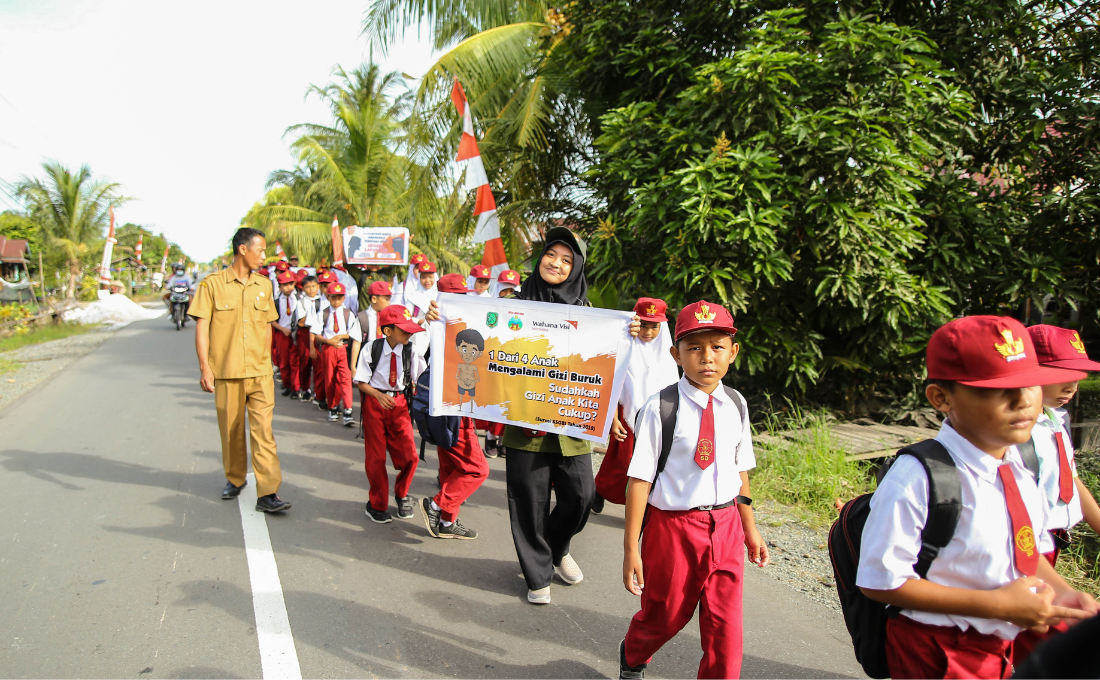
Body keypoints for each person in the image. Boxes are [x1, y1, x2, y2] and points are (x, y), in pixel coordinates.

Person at [856, 316, 1096, 680]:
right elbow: (879, 581)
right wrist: (997, 605)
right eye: (994, 389)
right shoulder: (919, 475)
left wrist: (1064, 593)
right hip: (936, 648)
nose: (1021, 400)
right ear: (941, 398)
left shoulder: (1019, 463)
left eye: (1030, 383)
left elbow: (1026, 552)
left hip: (995, 643)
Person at [427, 227, 600, 604]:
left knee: (581, 495)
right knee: (529, 498)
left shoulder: (590, 314)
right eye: (551, 255)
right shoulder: (513, 305)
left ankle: (557, 547)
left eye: (567, 259)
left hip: (570, 423)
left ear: (577, 268)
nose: (556, 263)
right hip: (523, 419)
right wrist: (442, 316)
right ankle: (537, 574)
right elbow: (476, 336)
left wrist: (638, 334)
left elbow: (611, 361)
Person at [618, 300, 766, 680]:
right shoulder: (660, 408)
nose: (706, 358)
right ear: (675, 354)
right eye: (694, 348)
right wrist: (631, 547)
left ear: (732, 352)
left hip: (727, 525)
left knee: (725, 633)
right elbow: (640, 480)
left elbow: (740, 471)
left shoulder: (736, 404)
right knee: (664, 616)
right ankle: (634, 652)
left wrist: (749, 528)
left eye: (717, 347)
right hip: (674, 528)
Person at [1012, 324, 1100, 666]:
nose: (1071, 387)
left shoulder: (1056, 420)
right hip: (1023, 542)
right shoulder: (1013, 427)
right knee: (1039, 628)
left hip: (1051, 543)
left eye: (1078, 377)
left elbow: (1073, 480)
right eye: (1061, 374)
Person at [189, 227, 291, 513]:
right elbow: (202, 328)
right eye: (260, 249)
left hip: (260, 372)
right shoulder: (212, 285)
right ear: (243, 249)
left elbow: (269, 327)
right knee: (231, 431)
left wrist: (271, 364)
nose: (264, 255)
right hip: (227, 371)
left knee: (264, 433)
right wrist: (205, 368)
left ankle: (268, 492)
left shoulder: (264, 285)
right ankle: (235, 478)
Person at [593, 297, 679, 514]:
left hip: (657, 419)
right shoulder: (623, 346)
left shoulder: (668, 354)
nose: (648, 332)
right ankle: (601, 490)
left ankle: (641, 508)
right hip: (627, 415)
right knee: (621, 463)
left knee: (652, 467)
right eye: (643, 325)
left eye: (654, 326)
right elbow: (612, 384)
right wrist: (613, 419)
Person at [421, 274, 490, 539]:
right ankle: (437, 505)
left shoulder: (453, 321)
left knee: (453, 468)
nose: (465, 299)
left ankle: (448, 522)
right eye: (460, 295)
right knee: (477, 468)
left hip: (446, 407)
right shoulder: (439, 321)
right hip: (452, 408)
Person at [354, 304, 426, 524]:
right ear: (387, 331)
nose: (409, 333)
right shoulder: (371, 349)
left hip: (400, 404)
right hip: (375, 404)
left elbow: (422, 379)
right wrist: (377, 395)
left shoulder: (411, 351)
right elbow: (361, 382)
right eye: (404, 330)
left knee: (410, 456)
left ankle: (402, 493)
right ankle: (376, 504)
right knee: (375, 457)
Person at [310, 282, 361, 426]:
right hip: (328, 349)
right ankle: (332, 407)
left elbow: (353, 332)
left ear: (344, 298)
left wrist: (340, 337)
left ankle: (348, 409)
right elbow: (316, 333)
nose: (336, 301)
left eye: (339, 298)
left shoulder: (347, 314)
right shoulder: (324, 313)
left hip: (342, 349)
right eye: (333, 298)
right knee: (330, 379)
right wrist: (328, 341)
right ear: (328, 297)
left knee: (345, 379)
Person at [272, 273, 301, 398]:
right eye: (285, 285)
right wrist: (282, 329)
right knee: (284, 361)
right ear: (279, 286)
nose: (288, 287)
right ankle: (287, 384)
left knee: (295, 361)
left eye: (291, 284)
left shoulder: (299, 299)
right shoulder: (277, 302)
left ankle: (295, 388)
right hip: (282, 334)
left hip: (295, 334)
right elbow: (271, 320)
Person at [294, 274, 322, 401]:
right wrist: (313, 316)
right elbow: (301, 322)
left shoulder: (323, 300)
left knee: (318, 364)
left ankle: (318, 392)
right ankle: (305, 389)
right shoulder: (301, 302)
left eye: (313, 286)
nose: (311, 289)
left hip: (318, 333)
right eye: (308, 287)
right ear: (303, 288)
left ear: (318, 286)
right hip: (305, 333)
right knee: (305, 362)